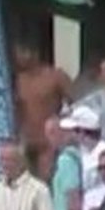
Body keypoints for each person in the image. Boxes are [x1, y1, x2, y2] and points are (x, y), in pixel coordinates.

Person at [14, 40, 72, 179]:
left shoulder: (55, 76)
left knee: (45, 179)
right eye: (17, 53)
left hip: (48, 139)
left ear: (35, 53)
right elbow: (17, 108)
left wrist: (62, 126)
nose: (19, 57)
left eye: (23, 52)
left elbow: (76, 102)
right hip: (27, 138)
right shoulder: (18, 80)